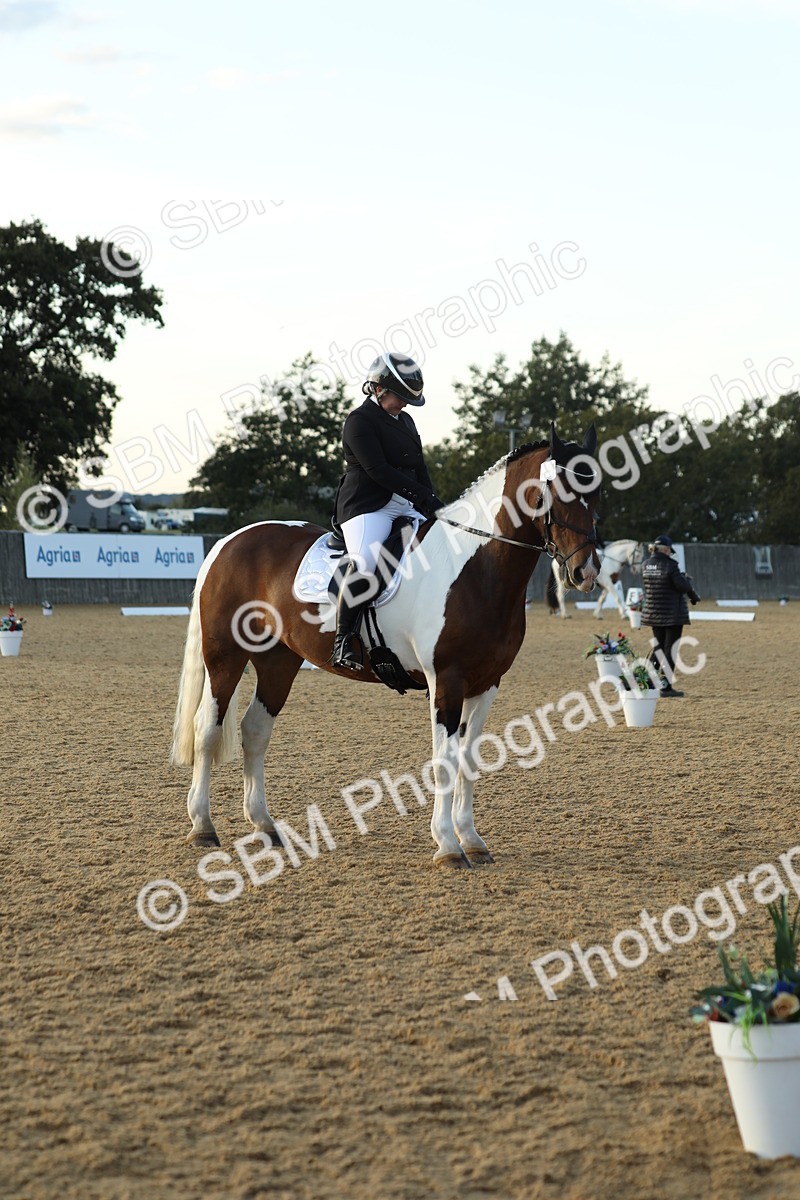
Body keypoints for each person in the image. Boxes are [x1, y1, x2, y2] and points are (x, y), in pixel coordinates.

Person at [330, 351, 445, 671]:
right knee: (366, 563)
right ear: (379, 389)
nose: (406, 404)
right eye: (401, 397)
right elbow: (378, 470)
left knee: (441, 549)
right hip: (367, 505)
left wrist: (435, 503)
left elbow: (419, 467)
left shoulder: (406, 421)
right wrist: (422, 496)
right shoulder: (359, 421)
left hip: (405, 502)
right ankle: (343, 638)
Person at [641, 534, 701, 697]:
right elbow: (681, 586)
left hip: (654, 613)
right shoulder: (671, 565)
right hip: (672, 614)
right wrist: (685, 578)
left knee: (658, 648)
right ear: (666, 550)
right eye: (669, 551)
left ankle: (647, 681)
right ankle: (666, 687)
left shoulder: (646, 565)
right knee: (670, 650)